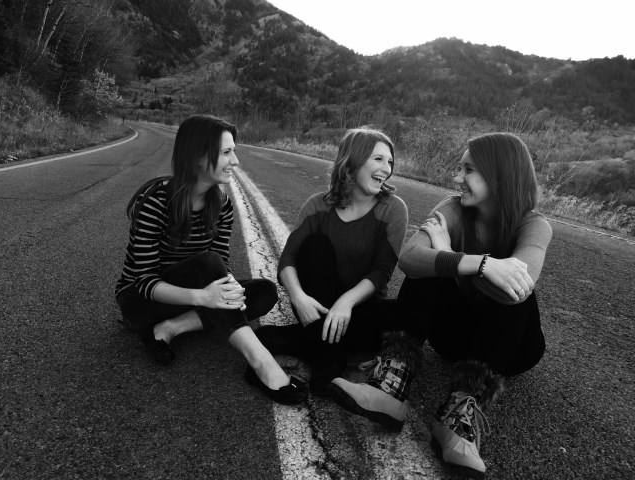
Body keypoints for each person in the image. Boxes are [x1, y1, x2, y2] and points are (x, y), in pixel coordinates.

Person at [115, 114, 307, 405]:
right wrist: (203, 297)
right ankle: (261, 362)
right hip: (141, 301)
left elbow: (222, 262)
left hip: (189, 296)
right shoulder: (155, 202)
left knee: (264, 292)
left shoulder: (222, 205)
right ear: (198, 157)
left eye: (234, 151)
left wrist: (230, 286)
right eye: (227, 152)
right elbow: (142, 280)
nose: (236, 161)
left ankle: (171, 328)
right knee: (208, 262)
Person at [395, 132, 551, 477]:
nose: (456, 178)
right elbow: (409, 256)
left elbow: (516, 290)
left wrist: (449, 253)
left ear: (499, 175)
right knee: (427, 269)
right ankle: (393, 380)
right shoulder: (453, 208)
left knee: (518, 288)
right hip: (453, 339)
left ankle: (460, 410)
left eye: (468, 170)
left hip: (512, 350)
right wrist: (478, 264)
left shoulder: (534, 225)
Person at [255, 127, 417, 429]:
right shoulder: (319, 204)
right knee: (316, 246)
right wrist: (298, 298)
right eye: (378, 159)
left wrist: (347, 302)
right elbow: (288, 260)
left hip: (358, 309)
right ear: (352, 161)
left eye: (390, 162)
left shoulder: (393, 209)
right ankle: (329, 363)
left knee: (407, 311)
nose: (387, 168)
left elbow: (382, 271)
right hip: (314, 307)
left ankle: (302, 342)